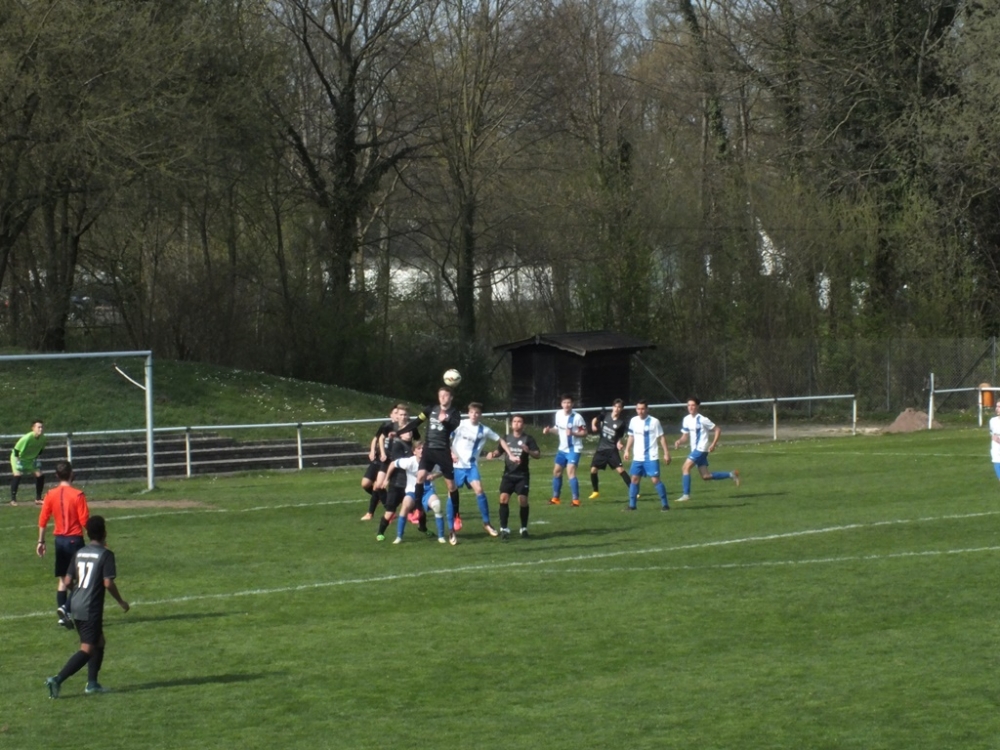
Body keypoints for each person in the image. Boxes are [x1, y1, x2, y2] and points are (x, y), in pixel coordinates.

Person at [45, 515, 129, 698]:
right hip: (91, 608)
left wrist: (78, 592)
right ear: (104, 533)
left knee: (99, 642)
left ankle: (92, 683)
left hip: (75, 604)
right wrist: (121, 601)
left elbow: (68, 581)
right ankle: (57, 679)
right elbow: (108, 583)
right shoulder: (106, 555)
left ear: (88, 533)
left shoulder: (80, 552)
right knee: (87, 649)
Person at [398, 386, 463, 544]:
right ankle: (418, 509)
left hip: (443, 451)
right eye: (441, 395)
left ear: (451, 397)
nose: (443, 398)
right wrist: (399, 432)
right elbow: (416, 422)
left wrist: (445, 420)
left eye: (446, 395)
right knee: (420, 477)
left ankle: (456, 517)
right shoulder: (430, 409)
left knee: (451, 486)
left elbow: (453, 426)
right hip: (428, 450)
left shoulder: (455, 413)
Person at [36, 461, 90, 628]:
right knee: (82, 580)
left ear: (57, 476)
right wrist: (97, 540)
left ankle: (63, 615)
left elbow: (43, 519)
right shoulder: (78, 495)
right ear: (71, 474)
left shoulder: (50, 494)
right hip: (75, 540)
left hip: (59, 540)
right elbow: (84, 520)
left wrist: (41, 541)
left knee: (63, 579)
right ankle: (66, 608)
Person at [451, 402, 508, 537]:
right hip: (457, 466)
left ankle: (486, 523)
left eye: (477, 413)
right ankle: (453, 520)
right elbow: (446, 438)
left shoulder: (484, 430)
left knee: (479, 490)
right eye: (471, 412)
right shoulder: (460, 424)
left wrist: (509, 454)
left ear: (480, 415)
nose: (474, 415)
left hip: (471, 466)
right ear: (468, 413)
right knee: (451, 493)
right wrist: (451, 453)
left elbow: (500, 440)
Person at [673, 398, 740, 502]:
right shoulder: (686, 419)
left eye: (693, 405)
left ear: (697, 406)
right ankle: (731, 474)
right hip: (695, 449)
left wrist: (713, 444)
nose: (690, 407)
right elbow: (685, 436)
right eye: (688, 405)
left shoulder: (702, 419)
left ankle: (686, 495)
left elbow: (717, 430)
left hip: (701, 448)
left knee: (685, 468)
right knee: (705, 476)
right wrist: (679, 441)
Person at [487, 414, 540, 540]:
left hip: (522, 475)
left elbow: (537, 454)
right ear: (511, 424)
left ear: (523, 424)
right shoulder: (506, 438)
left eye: (519, 421)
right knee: (503, 499)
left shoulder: (528, 439)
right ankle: (504, 528)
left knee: (523, 500)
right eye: (514, 421)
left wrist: (528, 451)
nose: (517, 423)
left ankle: (524, 528)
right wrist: (492, 454)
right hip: (508, 475)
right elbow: (499, 451)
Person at [383, 443, 447, 544]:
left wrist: (434, 476)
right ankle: (399, 537)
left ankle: (441, 536)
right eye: (419, 448)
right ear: (414, 451)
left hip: (427, 491)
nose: (421, 450)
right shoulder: (409, 462)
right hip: (412, 491)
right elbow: (392, 464)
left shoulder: (431, 461)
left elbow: (443, 470)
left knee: (437, 505)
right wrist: (386, 479)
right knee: (406, 505)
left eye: (423, 448)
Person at [622, 400, 671, 511]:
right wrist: (627, 450)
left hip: (651, 456)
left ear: (647, 409)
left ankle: (665, 504)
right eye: (638, 409)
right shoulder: (633, 421)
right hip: (637, 457)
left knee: (655, 480)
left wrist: (666, 453)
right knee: (634, 479)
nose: (640, 411)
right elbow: (631, 436)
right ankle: (632, 505)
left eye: (642, 409)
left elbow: (661, 437)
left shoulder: (654, 421)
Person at [542, 394, 587, 506]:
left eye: (569, 403)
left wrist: (573, 433)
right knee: (556, 472)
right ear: (561, 404)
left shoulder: (577, 417)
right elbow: (557, 429)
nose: (566, 405)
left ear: (572, 404)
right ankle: (556, 498)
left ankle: (575, 500)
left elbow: (584, 433)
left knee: (570, 471)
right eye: (564, 402)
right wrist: (549, 430)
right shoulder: (558, 414)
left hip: (574, 449)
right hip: (562, 449)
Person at [360, 405, 401, 521]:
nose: (397, 415)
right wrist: (373, 450)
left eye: (399, 413)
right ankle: (379, 500)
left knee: (378, 485)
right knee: (366, 484)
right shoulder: (386, 425)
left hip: (390, 460)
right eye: (395, 413)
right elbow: (377, 438)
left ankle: (372, 513)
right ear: (391, 415)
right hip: (380, 459)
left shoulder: (402, 428)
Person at [588, 398, 632, 499]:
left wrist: (619, 443)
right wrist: (593, 425)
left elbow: (619, 437)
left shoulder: (621, 423)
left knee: (620, 470)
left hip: (612, 450)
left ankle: (633, 490)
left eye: (619, 407)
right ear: (612, 407)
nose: (617, 409)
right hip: (601, 449)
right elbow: (595, 419)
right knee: (593, 470)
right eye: (615, 406)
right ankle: (595, 491)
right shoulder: (605, 415)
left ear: (621, 409)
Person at [11, 419, 46, 506]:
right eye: (38, 427)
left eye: (42, 427)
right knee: (17, 475)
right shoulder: (27, 438)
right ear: (33, 428)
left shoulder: (43, 438)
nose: (41, 429)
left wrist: (36, 459)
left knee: (40, 475)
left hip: (30, 460)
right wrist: (18, 461)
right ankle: (13, 499)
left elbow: (41, 450)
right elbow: (16, 449)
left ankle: (38, 498)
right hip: (18, 457)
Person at [989, 403, 1000, 483]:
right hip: (996, 445)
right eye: (997, 406)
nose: (997, 408)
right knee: (997, 461)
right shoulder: (993, 420)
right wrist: (993, 437)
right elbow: (992, 433)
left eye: (999, 407)